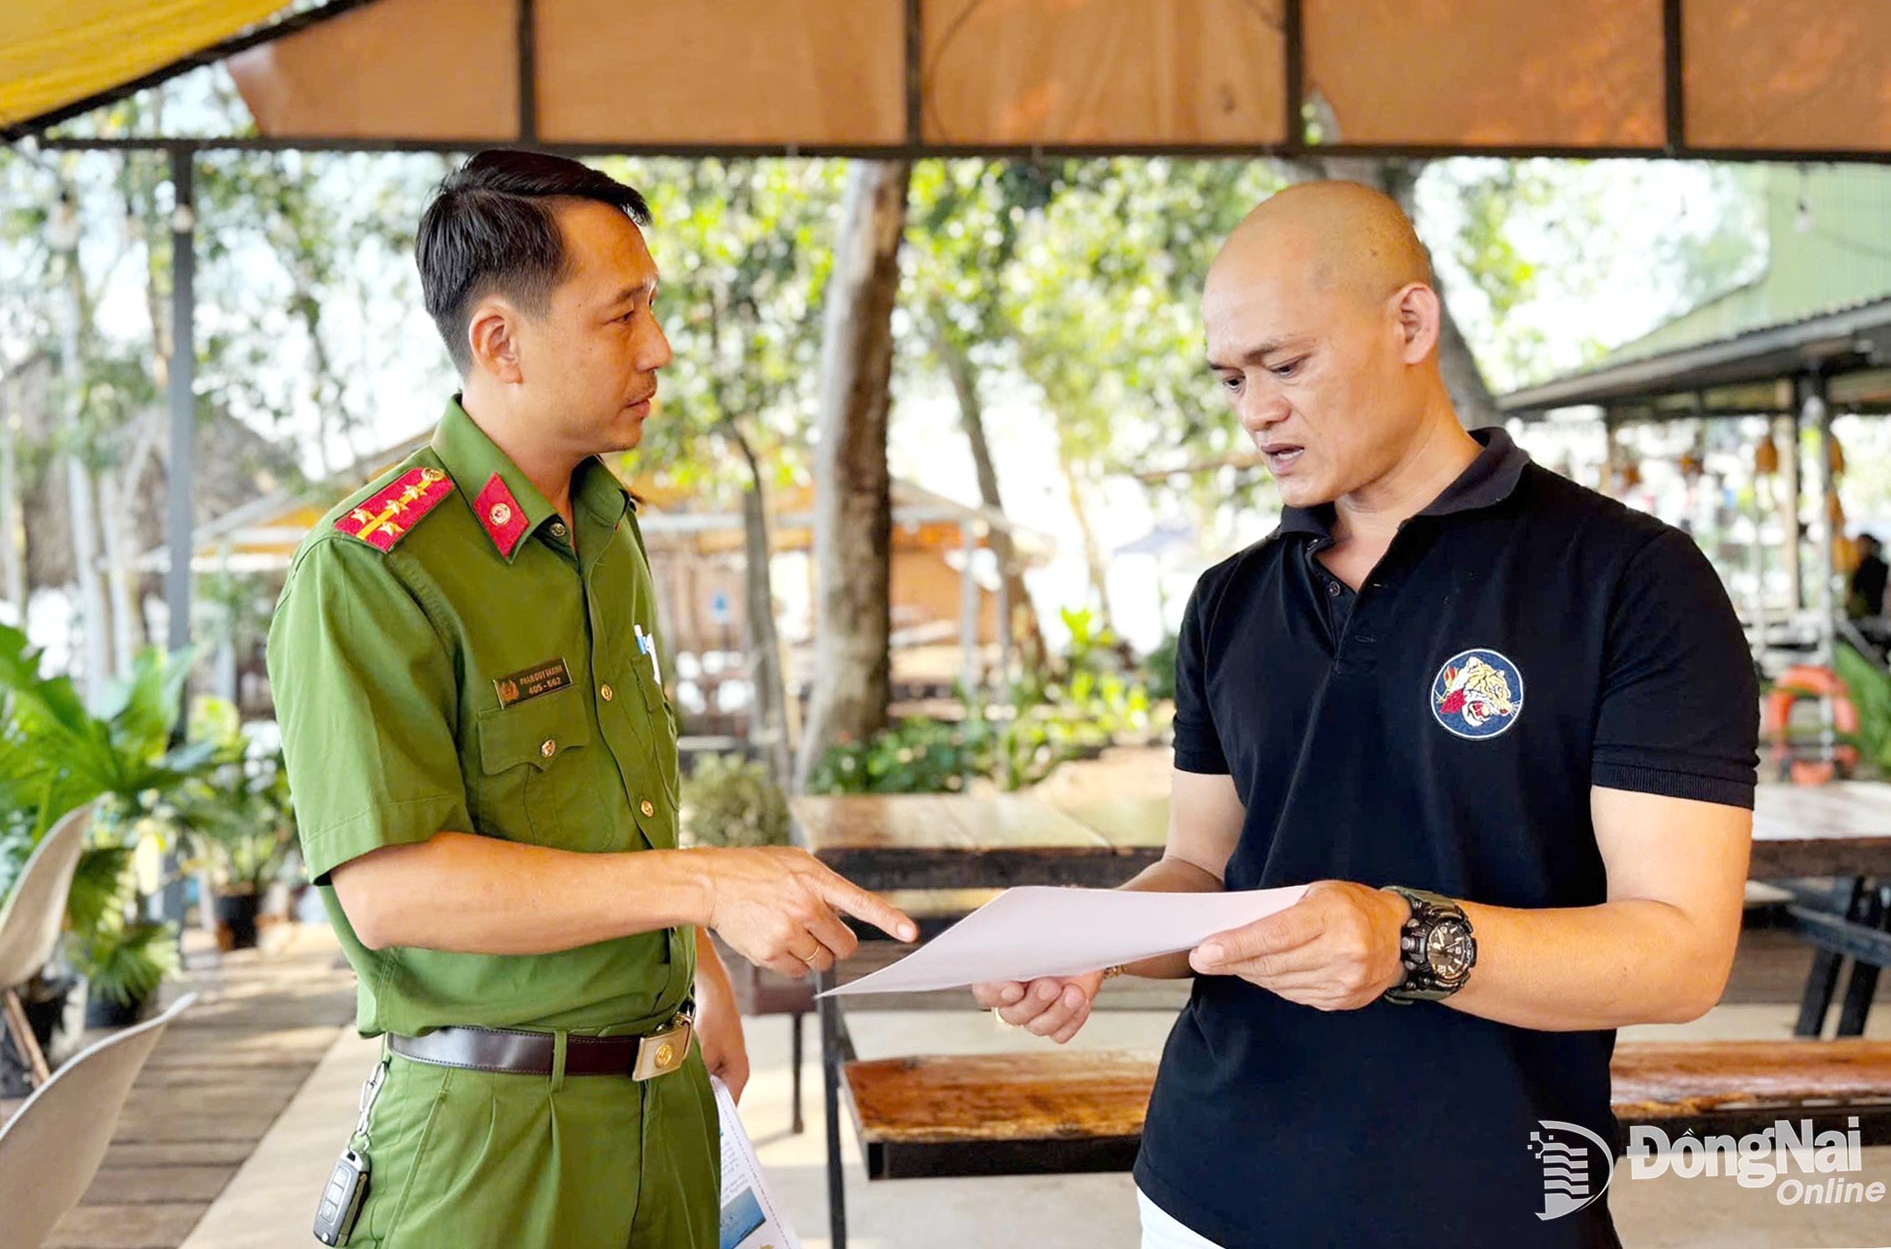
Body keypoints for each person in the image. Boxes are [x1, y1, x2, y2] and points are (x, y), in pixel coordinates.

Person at [975, 181, 1758, 1248]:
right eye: (1231, 379)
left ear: (1409, 322)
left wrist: (1407, 942)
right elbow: (1204, 874)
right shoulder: (1229, 601)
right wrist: (1099, 938)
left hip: (1486, 1205)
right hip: (1205, 1187)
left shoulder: (1627, 578)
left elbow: (1680, 954)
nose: (1255, 411)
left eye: (1285, 365)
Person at [267, 149, 915, 1249]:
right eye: (622, 316)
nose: (657, 350)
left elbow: (610, 804)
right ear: (500, 343)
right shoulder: (372, 568)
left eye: (651, 310)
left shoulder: (608, 533)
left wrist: (698, 967)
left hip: (665, 1112)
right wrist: (707, 886)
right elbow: (392, 889)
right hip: (494, 1150)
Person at [1848, 532, 1887, 620]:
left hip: (1867, 615)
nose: (1857, 548)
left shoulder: (1868, 567)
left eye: (1861, 545)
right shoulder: (1860, 565)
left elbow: (1853, 591)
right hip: (1870, 614)